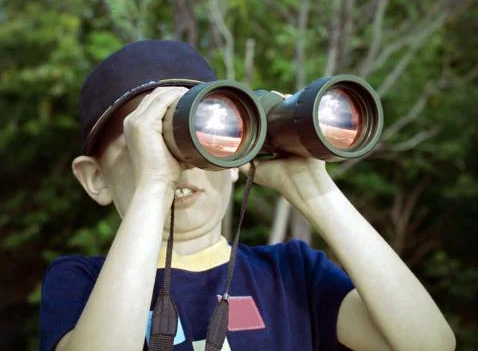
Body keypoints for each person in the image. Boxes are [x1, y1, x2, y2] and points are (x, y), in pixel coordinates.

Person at [39, 40, 455, 351]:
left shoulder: (293, 273)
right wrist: (154, 184)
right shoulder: (81, 282)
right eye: (142, 146)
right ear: (95, 179)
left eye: (201, 137)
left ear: (239, 154)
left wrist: (314, 189)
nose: (180, 164)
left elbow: (428, 343)